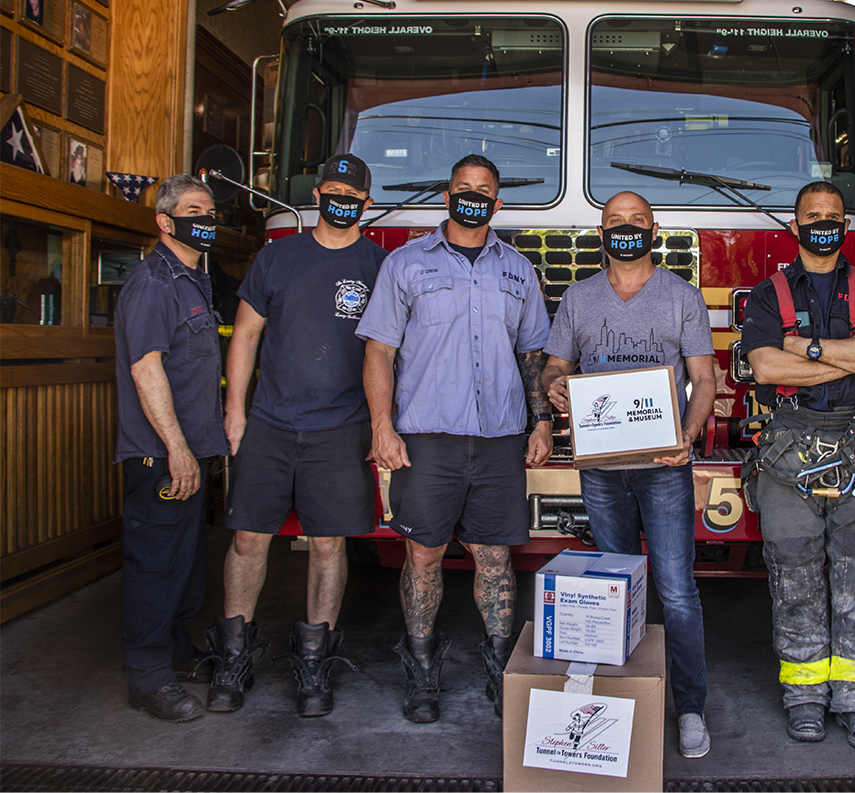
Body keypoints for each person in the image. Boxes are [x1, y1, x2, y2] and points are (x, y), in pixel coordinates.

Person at [357, 154, 554, 724]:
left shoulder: (518, 269)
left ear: (498, 201)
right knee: (423, 555)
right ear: (447, 196)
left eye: (484, 189)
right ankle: (421, 666)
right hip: (427, 440)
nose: (473, 196)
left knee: (495, 557)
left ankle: (499, 665)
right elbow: (379, 351)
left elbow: (531, 355)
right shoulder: (405, 263)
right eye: (463, 188)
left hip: (498, 441)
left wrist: (541, 421)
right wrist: (381, 426)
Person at [202, 154, 387, 718]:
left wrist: (386, 424)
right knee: (247, 541)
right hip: (271, 425)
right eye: (331, 190)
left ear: (365, 203)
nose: (341, 200)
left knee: (328, 546)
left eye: (350, 193)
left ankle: (314, 664)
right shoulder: (277, 256)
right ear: (317, 196)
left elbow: (390, 353)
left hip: (342, 428)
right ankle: (232, 660)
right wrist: (235, 411)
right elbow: (246, 335)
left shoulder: (383, 265)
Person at [540, 191, 717, 759]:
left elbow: (705, 380)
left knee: (677, 591)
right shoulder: (579, 297)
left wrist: (686, 438)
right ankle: (616, 705)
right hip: (602, 473)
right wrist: (553, 386)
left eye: (635, 221)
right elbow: (556, 364)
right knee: (611, 589)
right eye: (615, 222)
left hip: (664, 470)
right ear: (601, 231)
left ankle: (690, 708)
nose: (625, 230)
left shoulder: (682, 297)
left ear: (654, 229)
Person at [739, 182, 855, 751]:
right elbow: (763, 368)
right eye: (814, 215)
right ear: (796, 224)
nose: (825, 223)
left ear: (845, 224)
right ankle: (804, 696)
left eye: (834, 215)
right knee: (795, 574)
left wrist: (805, 348)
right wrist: (844, 353)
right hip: (788, 447)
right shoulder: (766, 295)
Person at [112, 174, 228, 722]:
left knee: (184, 560)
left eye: (210, 210)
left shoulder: (194, 278)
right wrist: (177, 448)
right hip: (160, 453)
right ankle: (147, 675)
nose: (206, 218)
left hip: (191, 449)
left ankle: (176, 649)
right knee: (154, 565)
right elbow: (146, 367)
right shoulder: (154, 283)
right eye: (194, 210)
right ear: (165, 221)